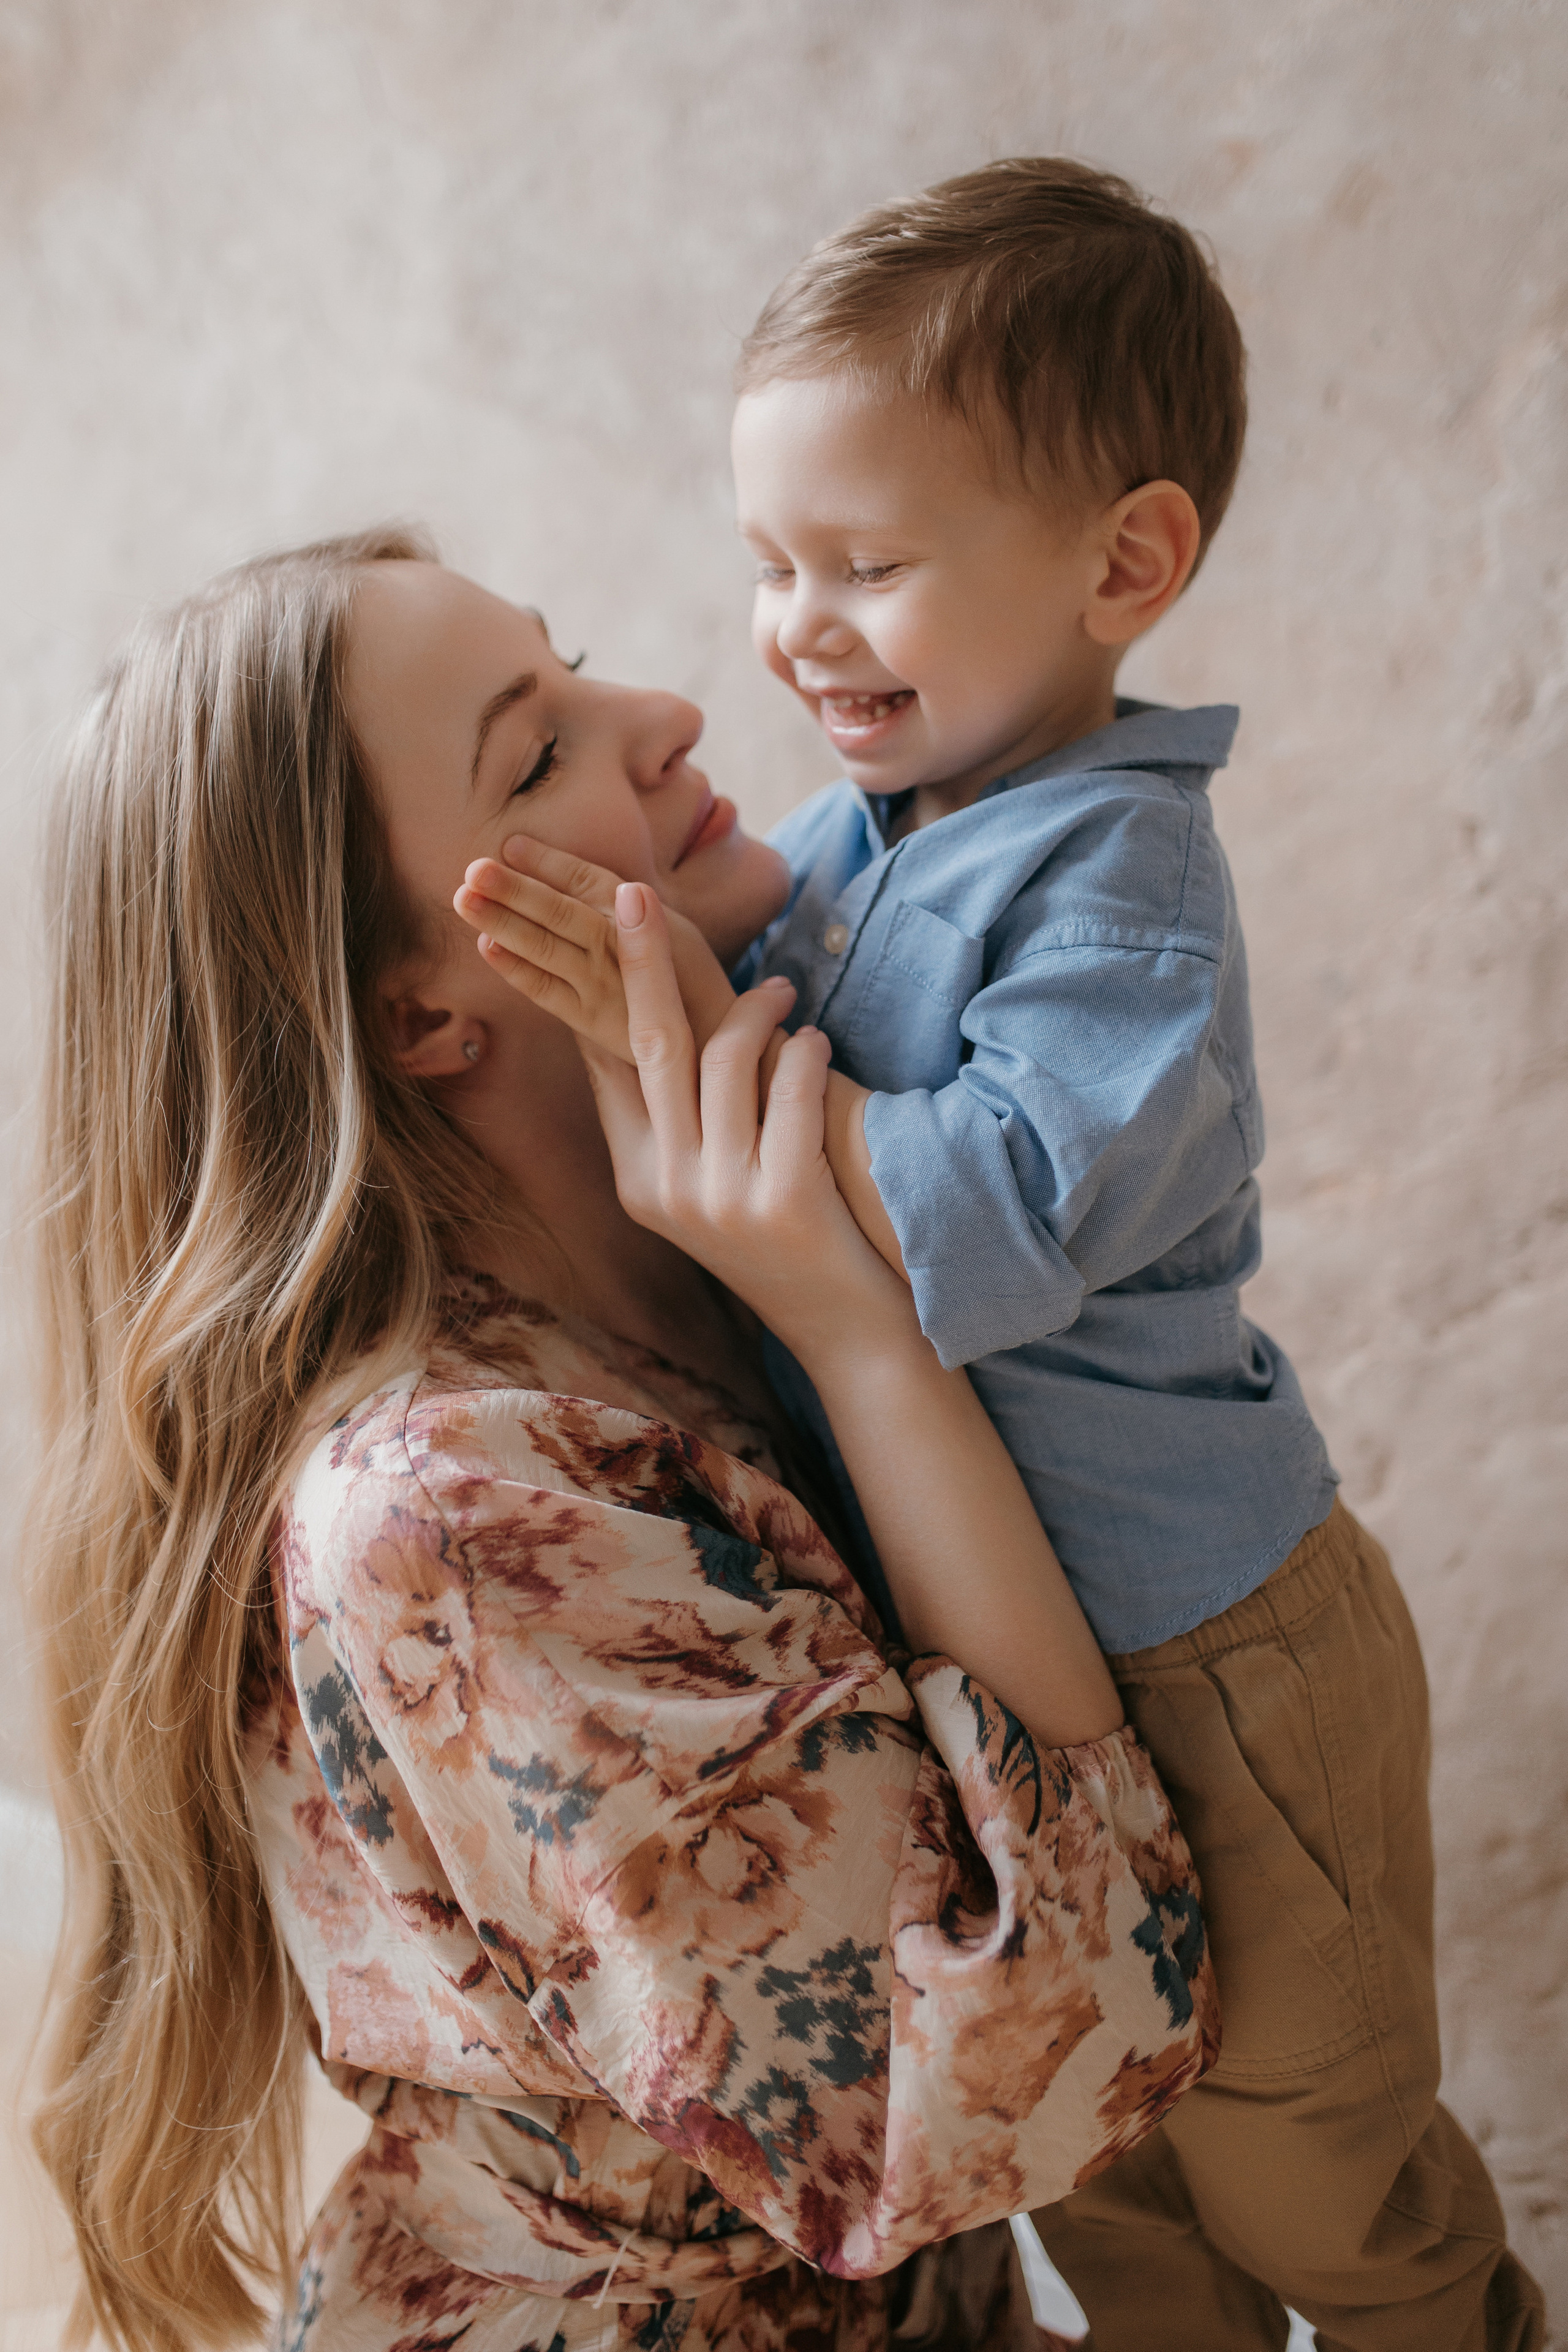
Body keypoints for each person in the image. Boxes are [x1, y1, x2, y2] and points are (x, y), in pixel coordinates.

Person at [454, 161, 1546, 2350]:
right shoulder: (854, 842)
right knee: (1113, 2169)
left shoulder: (1124, 885)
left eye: (868, 567)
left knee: (1310, 2166)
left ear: (1125, 564)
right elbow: (763, 1045)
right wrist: (646, 975)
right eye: (772, 564)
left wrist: (712, 1054)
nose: (796, 630)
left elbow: (1000, 1207)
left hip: (1215, 1645)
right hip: (994, 1670)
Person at [29, 528, 1218, 2352]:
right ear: (420, 1013)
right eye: (536, 754)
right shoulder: (449, 1511)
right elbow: (1036, 2071)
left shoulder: (691, 1271)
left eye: (575, 663)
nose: (667, 713)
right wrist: (860, 1338)